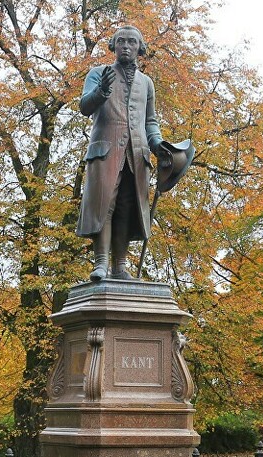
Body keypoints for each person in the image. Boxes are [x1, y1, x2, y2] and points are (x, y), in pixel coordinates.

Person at [76, 26, 170, 281]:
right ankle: (101, 264)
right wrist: (101, 92)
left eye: (131, 42)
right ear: (113, 46)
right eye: (121, 42)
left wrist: (158, 144)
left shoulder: (146, 83)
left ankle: (119, 267)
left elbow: (150, 121)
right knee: (104, 205)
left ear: (140, 48)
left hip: (136, 155)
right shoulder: (98, 74)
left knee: (127, 208)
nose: (125, 46)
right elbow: (84, 106)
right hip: (105, 152)